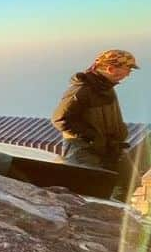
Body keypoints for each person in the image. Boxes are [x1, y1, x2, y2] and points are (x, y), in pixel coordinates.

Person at [52, 48, 140, 200]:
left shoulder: (106, 88)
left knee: (130, 181)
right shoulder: (81, 90)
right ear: (111, 69)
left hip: (110, 146)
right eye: (127, 70)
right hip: (84, 149)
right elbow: (60, 119)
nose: (128, 75)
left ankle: (116, 214)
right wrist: (92, 137)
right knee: (93, 188)